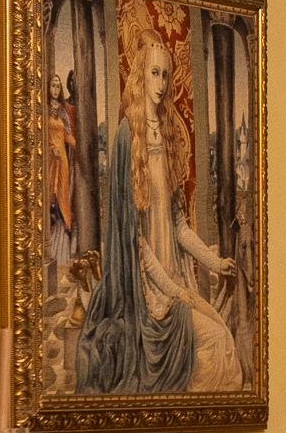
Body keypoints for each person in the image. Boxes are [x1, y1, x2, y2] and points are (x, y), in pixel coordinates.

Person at [76, 30, 241, 394]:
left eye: (166, 74)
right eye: (154, 73)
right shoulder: (126, 137)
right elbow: (134, 243)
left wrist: (214, 263)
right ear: (141, 75)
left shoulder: (167, 136)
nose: (161, 83)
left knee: (222, 337)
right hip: (146, 293)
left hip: (175, 279)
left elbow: (178, 225)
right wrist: (172, 290)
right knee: (217, 343)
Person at [47, 71, 77, 269]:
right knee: (52, 201)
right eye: (53, 85)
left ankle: (61, 252)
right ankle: (49, 249)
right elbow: (41, 135)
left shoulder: (63, 111)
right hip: (51, 161)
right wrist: (51, 148)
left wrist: (79, 145)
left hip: (63, 162)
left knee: (63, 202)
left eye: (58, 86)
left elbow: (66, 135)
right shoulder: (44, 110)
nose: (56, 89)